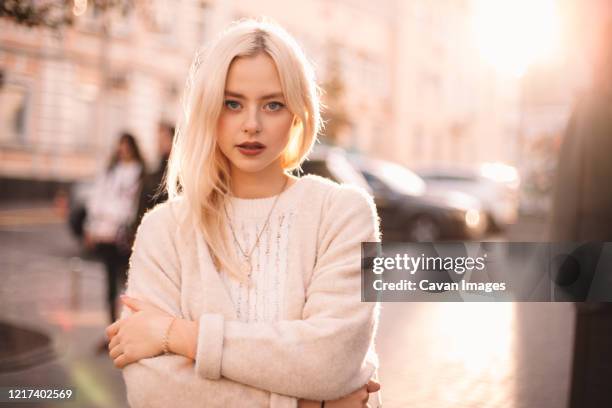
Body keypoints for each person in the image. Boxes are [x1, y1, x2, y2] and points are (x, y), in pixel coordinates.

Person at [105, 19, 382, 407]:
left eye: (273, 104)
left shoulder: (346, 214)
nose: (251, 125)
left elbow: (332, 360)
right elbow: (153, 392)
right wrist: (305, 403)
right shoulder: (163, 229)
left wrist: (177, 335)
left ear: (298, 112)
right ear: (208, 109)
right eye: (232, 103)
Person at [84, 132, 145, 351]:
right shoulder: (111, 170)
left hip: (125, 236)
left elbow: (132, 205)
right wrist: (91, 227)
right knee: (110, 285)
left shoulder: (139, 173)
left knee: (129, 286)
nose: (123, 149)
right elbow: (97, 198)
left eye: (127, 145)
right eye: (121, 145)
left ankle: (130, 332)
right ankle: (112, 331)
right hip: (106, 234)